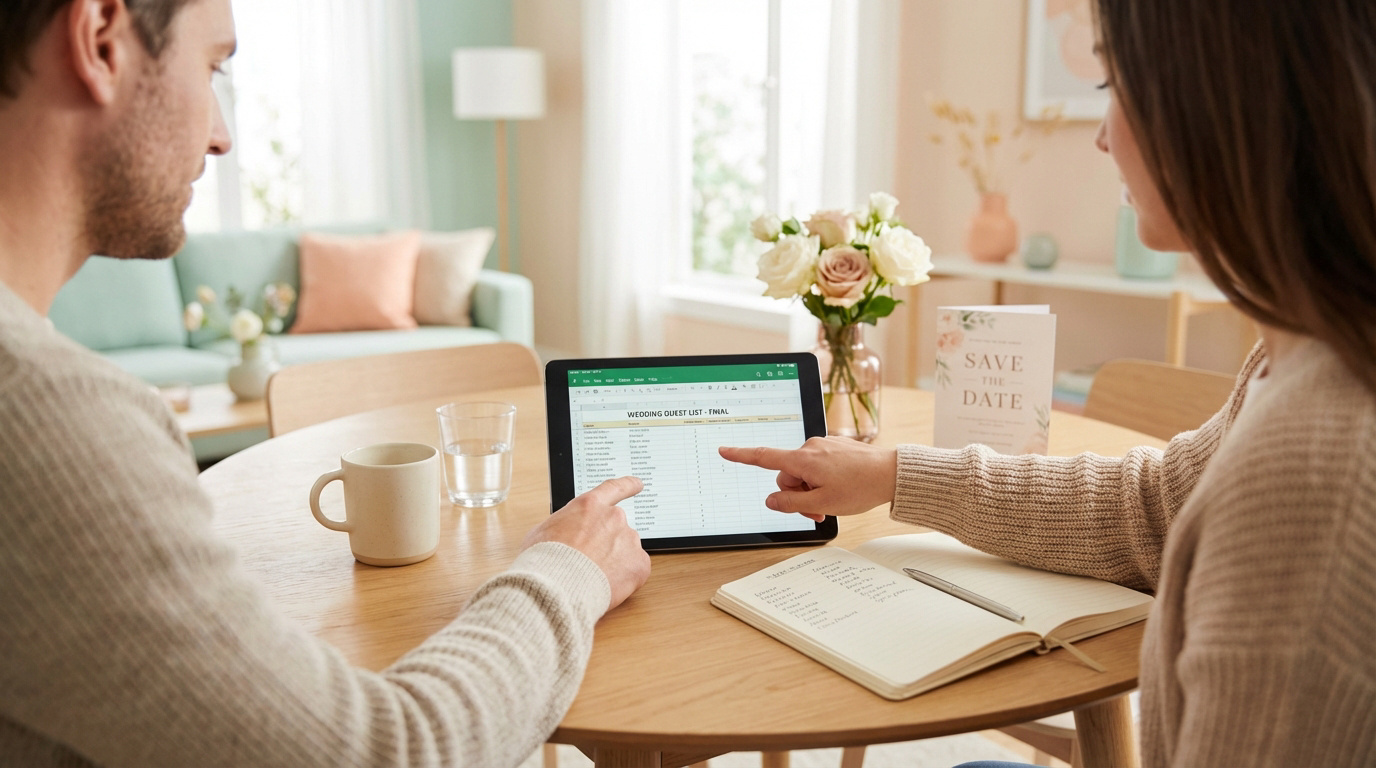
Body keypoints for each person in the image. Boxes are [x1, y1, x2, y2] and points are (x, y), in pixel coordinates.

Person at [723, 0, 1376, 765]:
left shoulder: (1314, 472)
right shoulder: (1301, 356)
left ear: (1216, 101)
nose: (1102, 136)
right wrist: (893, 473)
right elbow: (1154, 507)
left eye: (1111, 86)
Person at [0, 1, 649, 765]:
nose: (221, 133)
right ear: (101, 37)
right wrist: (567, 566)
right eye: (212, 66)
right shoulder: (49, 416)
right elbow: (386, 752)